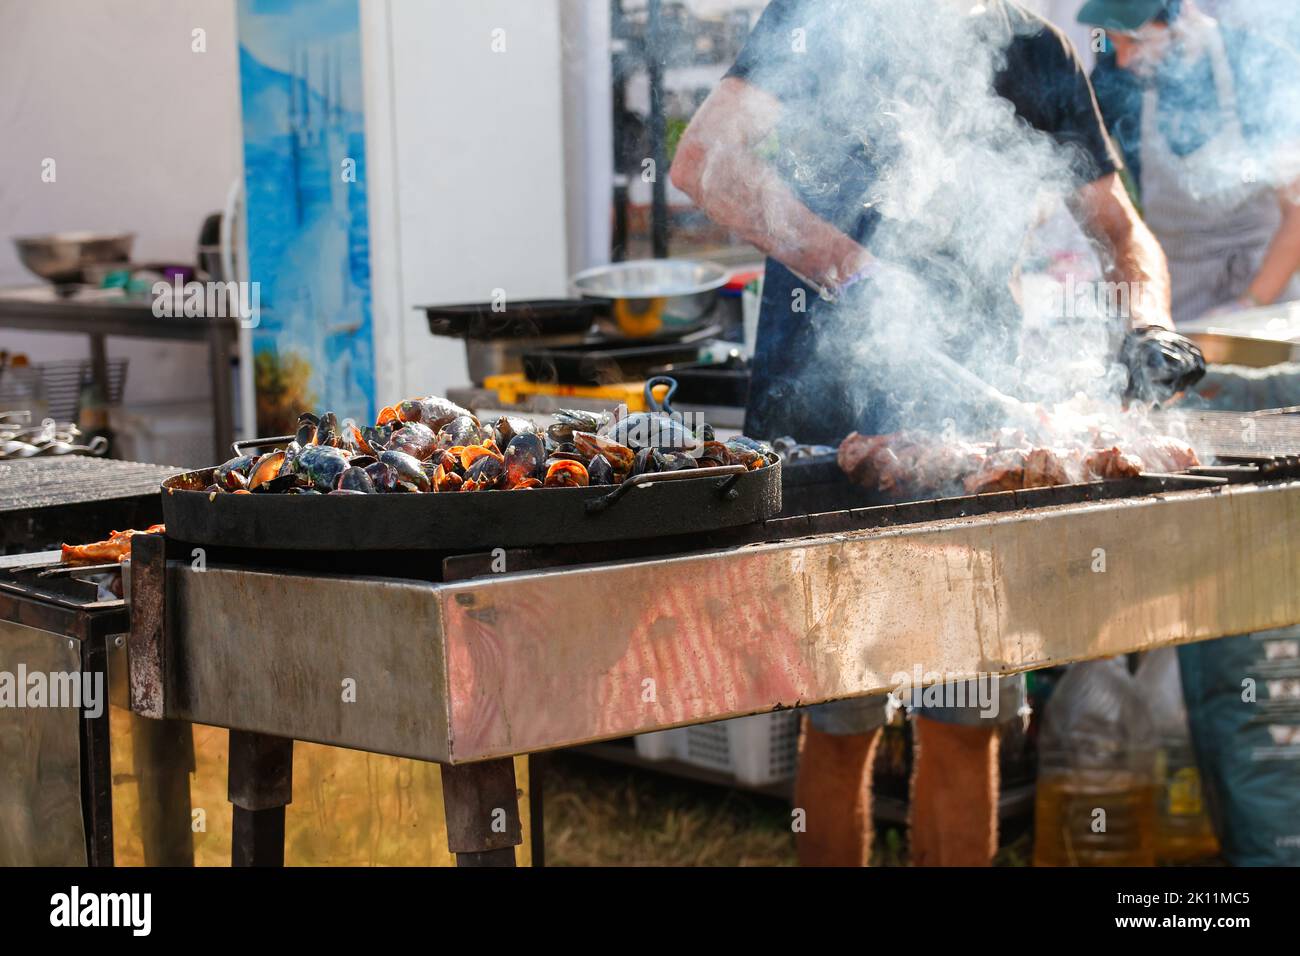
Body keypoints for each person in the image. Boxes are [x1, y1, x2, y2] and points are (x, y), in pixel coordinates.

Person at [672, 0, 1203, 866]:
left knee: (965, 720)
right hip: (827, 428)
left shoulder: (1037, 50)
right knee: (841, 719)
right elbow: (704, 163)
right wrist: (852, 269)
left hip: (972, 437)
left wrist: (1152, 326)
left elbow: (1120, 231)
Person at [1082, 0, 1300, 322]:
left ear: (1181, 17)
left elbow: (1297, 210)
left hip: (1265, 304)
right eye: (1113, 41)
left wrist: (1248, 304)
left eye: (1136, 41)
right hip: (1176, 298)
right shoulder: (1115, 77)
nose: (1124, 58)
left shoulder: (1253, 63)